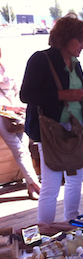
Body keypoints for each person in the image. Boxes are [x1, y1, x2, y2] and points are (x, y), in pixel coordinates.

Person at [20, 13, 83, 224]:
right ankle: (46, 231)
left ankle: (72, 222)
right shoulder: (40, 59)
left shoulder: (74, 63)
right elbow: (27, 95)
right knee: (51, 185)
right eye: (81, 41)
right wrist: (64, 95)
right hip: (50, 130)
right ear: (65, 38)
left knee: (75, 180)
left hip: (74, 129)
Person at [0, 47, 41, 200]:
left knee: (24, 148)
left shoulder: (6, 66)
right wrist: (8, 107)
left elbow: (18, 89)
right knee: (19, 150)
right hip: (2, 114)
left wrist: (18, 106)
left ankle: (31, 186)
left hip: (16, 111)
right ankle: (36, 185)